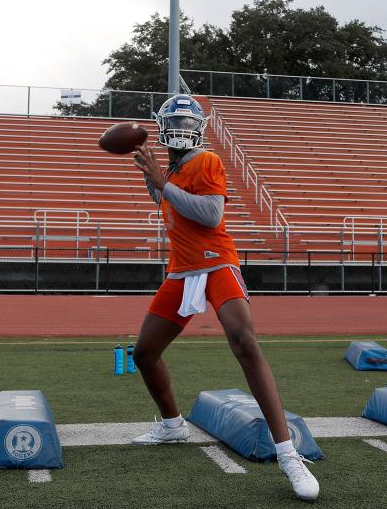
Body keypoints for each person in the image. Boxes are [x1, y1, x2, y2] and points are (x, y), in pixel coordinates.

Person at [129, 95, 320, 502]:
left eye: (186, 119)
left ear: (199, 126)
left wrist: (161, 182)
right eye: (173, 119)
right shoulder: (175, 168)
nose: (179, 126)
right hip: (181, 270)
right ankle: (171, 425)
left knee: (244, 342)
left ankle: (288, 454)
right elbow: (167, 205)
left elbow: (211, 215)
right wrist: (154, 179)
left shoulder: (207, 160)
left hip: (216, 263)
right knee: (144, 353)